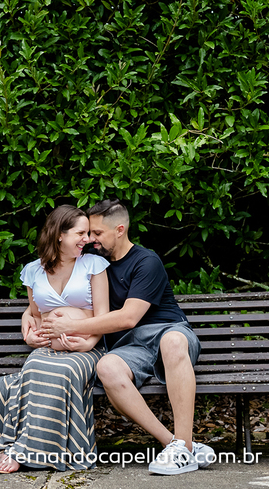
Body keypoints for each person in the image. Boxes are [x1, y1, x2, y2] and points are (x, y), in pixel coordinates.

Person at [41, 199, 215, 475]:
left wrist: (70, 328)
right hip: (131, 345)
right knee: (106, 366)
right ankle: (178, 446)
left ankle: (183, 443)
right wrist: (33, 316)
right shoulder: (94, 265)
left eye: (97, 233)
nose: (90, 239)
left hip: (167, 332)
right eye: (87, 233)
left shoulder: (146, 261)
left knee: (171, 343)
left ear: (119, 229)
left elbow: (128, 317)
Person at [0, 205, 109, 473]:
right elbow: (35, 313)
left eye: (88, 233)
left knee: (61, 371)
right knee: (32, 367)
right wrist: (29, 328)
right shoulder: (33, 271)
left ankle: (21, 451)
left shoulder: (94, 265)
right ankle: (18, 448)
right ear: (59, 235)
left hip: (85, 351)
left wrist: (88, 343)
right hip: (48, 350)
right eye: (80, 233)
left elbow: (103, 315)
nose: (87, 239)